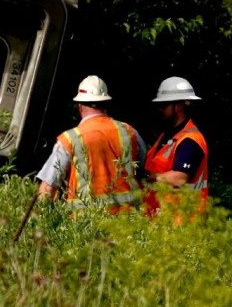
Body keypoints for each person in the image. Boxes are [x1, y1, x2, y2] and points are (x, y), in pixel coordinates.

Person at [37, 74, 147, 211]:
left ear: (79, 105)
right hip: (127, 223)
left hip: (86, 226)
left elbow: (47, 189)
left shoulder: (70, 139)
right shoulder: (129, 132)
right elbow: (142, 171)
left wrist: (37, 225)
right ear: (106, 103)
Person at [143, 76, 209, 219]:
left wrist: (150, 177)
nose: (160, 109)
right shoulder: (167, 135)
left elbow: (179, 178)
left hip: (182, 224)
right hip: (161, 221)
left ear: (178, 106)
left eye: (164, 105)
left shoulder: (190, 140)